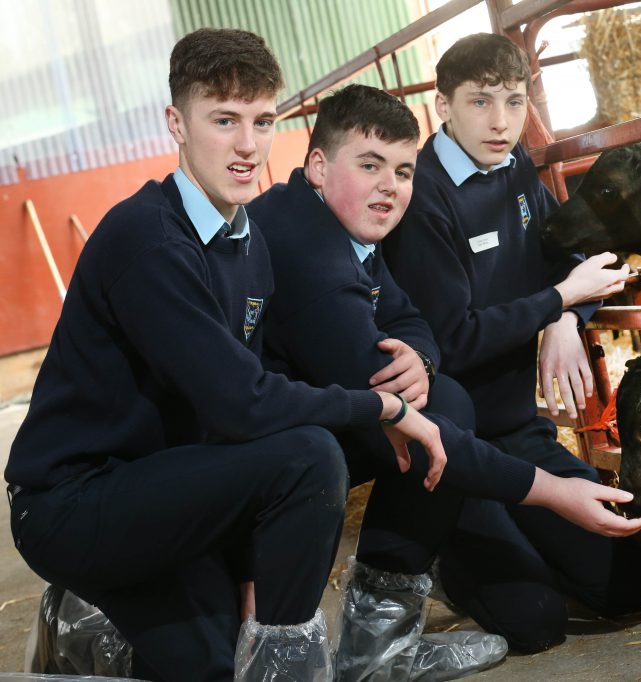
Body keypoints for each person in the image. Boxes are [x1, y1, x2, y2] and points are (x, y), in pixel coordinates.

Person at [4, 28, 450, 682]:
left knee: (216, 664)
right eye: (224, 120)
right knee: (309, 453)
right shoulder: (149, 241)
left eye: (262, 121)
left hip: (171, 486)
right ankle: (272, 668)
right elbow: (244, 404)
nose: (247, 145)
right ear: (176, 124)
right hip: (75, 501)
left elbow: (236, 422)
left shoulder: (247, 241)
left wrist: (250, 582)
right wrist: (383, 405)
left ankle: (94, 631)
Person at [248, 83, 641, 680]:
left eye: (401, 170)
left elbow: (410, 320)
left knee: (622, 584)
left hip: (487, 428)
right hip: (247, 466)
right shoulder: (312, 249)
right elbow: (416, 409)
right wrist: (552, 491)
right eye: (369, 165)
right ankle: (364, 644)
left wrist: (421, 356)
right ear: (318, 167)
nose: (390, 186)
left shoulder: (351, 223)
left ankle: (380, 640)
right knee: (533, 616)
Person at [384, 33, 641, 653]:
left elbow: (577, 256)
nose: (501, 122)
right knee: (536, 623)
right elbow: (451, 342)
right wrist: (556, 300)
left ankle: (518, 534)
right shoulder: (422, 198)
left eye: (514, 101)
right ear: (443, 105)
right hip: (454, 449)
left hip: (517, 429)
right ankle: (452, 556)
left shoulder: (515, 169)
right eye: (480, 102)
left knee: (625, 586)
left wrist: (566, 319)